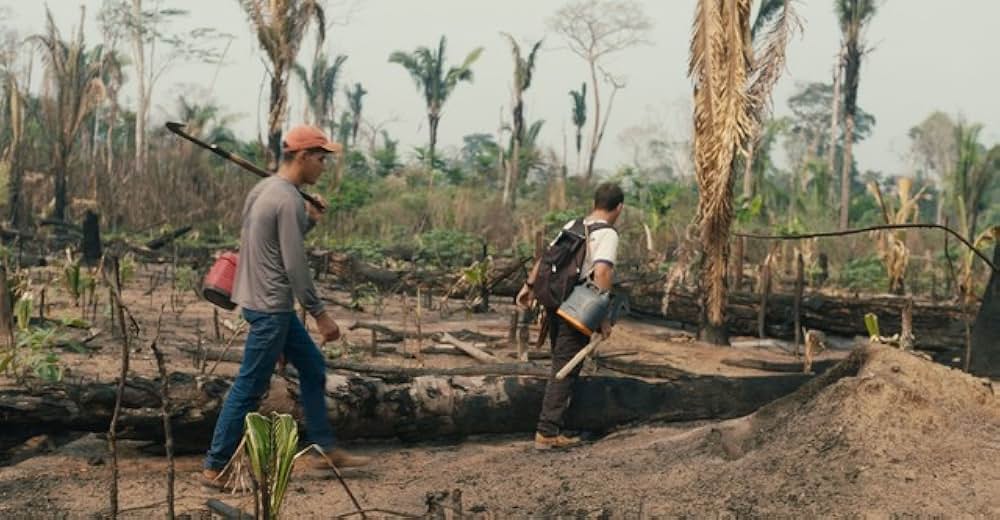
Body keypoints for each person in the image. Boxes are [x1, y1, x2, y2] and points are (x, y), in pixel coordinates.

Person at [201, 125, 369, 488]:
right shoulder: (287, 198)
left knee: (312, 367)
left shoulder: (265, 190)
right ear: (303, 157)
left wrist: (309, 221)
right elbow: (294, 264)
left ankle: (324, 448)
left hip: (258, 300)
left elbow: (274, 242)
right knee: (249, 386)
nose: (324, 166)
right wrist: (321, 314)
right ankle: (216, 466)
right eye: (321, 158)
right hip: (271, 308)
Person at [517, 182, 624, 450]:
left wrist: (529, 286)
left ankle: (555, 423)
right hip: (578, 308)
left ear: (595, 202)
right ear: (619, 208)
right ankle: (547, 432)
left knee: (561, 361)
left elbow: (545, 258)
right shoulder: (607, 234)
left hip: (553, 302)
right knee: (563, 369)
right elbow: (602, 273)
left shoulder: (573, 225)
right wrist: (602, 317)